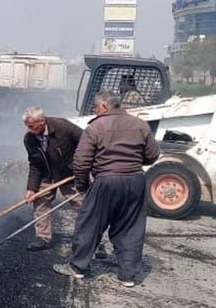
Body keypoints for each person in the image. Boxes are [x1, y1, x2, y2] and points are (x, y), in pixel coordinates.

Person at [54, 90, 160, 287]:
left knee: (90, 224)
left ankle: (77, 267)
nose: (95, 111)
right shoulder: (140, 125)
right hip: (136, 181)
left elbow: (81, 161)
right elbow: (153, 155)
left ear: (103, 107)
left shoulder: (96, 127)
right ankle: (127, 276)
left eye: (95, 108)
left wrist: (83, 186)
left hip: (107, 180)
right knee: (131, 228)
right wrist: (132, 162)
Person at [22, 106, 83, 251]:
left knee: (83, 205)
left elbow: (87, 143)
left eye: (31, 126)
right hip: (47, 174)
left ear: (41, 122)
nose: (28, 129)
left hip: (70, 174)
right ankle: (42, 237)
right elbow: (35, 164)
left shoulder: (63, 127)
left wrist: (80, 166)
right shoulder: (29, 139)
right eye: (26, 126)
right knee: (40, 203)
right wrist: (31, 188)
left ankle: (88, 239)